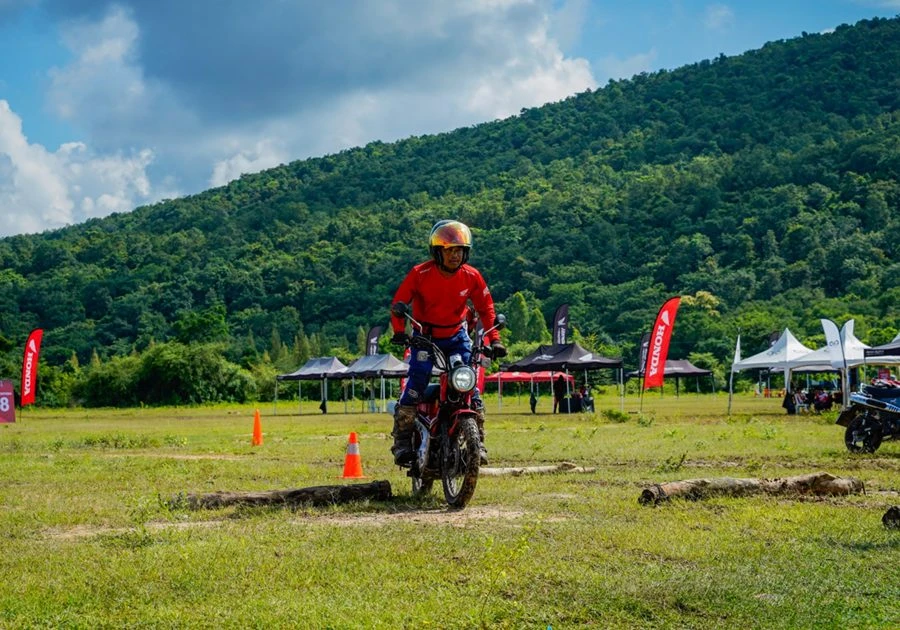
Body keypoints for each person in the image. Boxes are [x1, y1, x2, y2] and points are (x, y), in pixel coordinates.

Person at [389, 220, 506, 466]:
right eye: (450, 250)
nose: (455, 255)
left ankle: (478, 442)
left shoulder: (472, 276)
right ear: (437, 252)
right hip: (425, 336)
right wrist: (400, 331)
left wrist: (495, 339)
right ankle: (402, 440)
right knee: (417, 380)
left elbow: (486, 308)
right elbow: (399, 304)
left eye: (460, 250)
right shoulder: (419, 273)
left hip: (456, 336)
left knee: (470, 387)